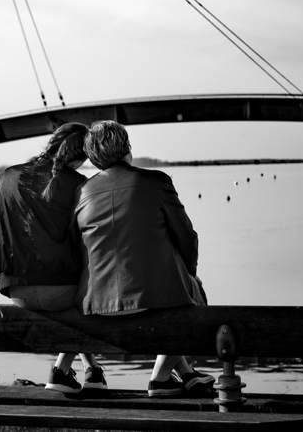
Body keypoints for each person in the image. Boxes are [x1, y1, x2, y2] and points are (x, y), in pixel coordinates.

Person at [74, 120, 214, 397]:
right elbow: (187, 237)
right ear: (127, 147)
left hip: (97, 304)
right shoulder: (156, 182)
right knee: (195, 295)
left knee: (179, 294)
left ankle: (185, 373)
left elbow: (78, 247)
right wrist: (190, 273)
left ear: (92, 156)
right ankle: (160, 377)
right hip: (153, 299)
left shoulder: (82, 192)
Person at [0, 122, 106, 393]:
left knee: (77, 303)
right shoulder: (80, 185)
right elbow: (89, 244)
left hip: (17, 290)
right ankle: (61, 371)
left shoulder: (9, 177)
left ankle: (93, 370)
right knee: (90, 298)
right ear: (82, 157)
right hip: (62, 292)